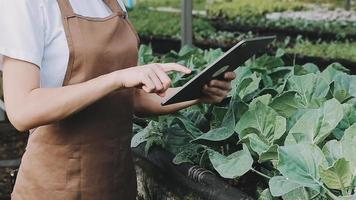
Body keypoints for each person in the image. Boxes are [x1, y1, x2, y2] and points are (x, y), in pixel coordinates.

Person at [0, 0, 236, 199]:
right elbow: (22, 110)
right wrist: (116, 78)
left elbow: (132, 99)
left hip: (117, 182)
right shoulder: (27, 4)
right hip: (56, 187)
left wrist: (196, 93)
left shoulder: (112, 3)